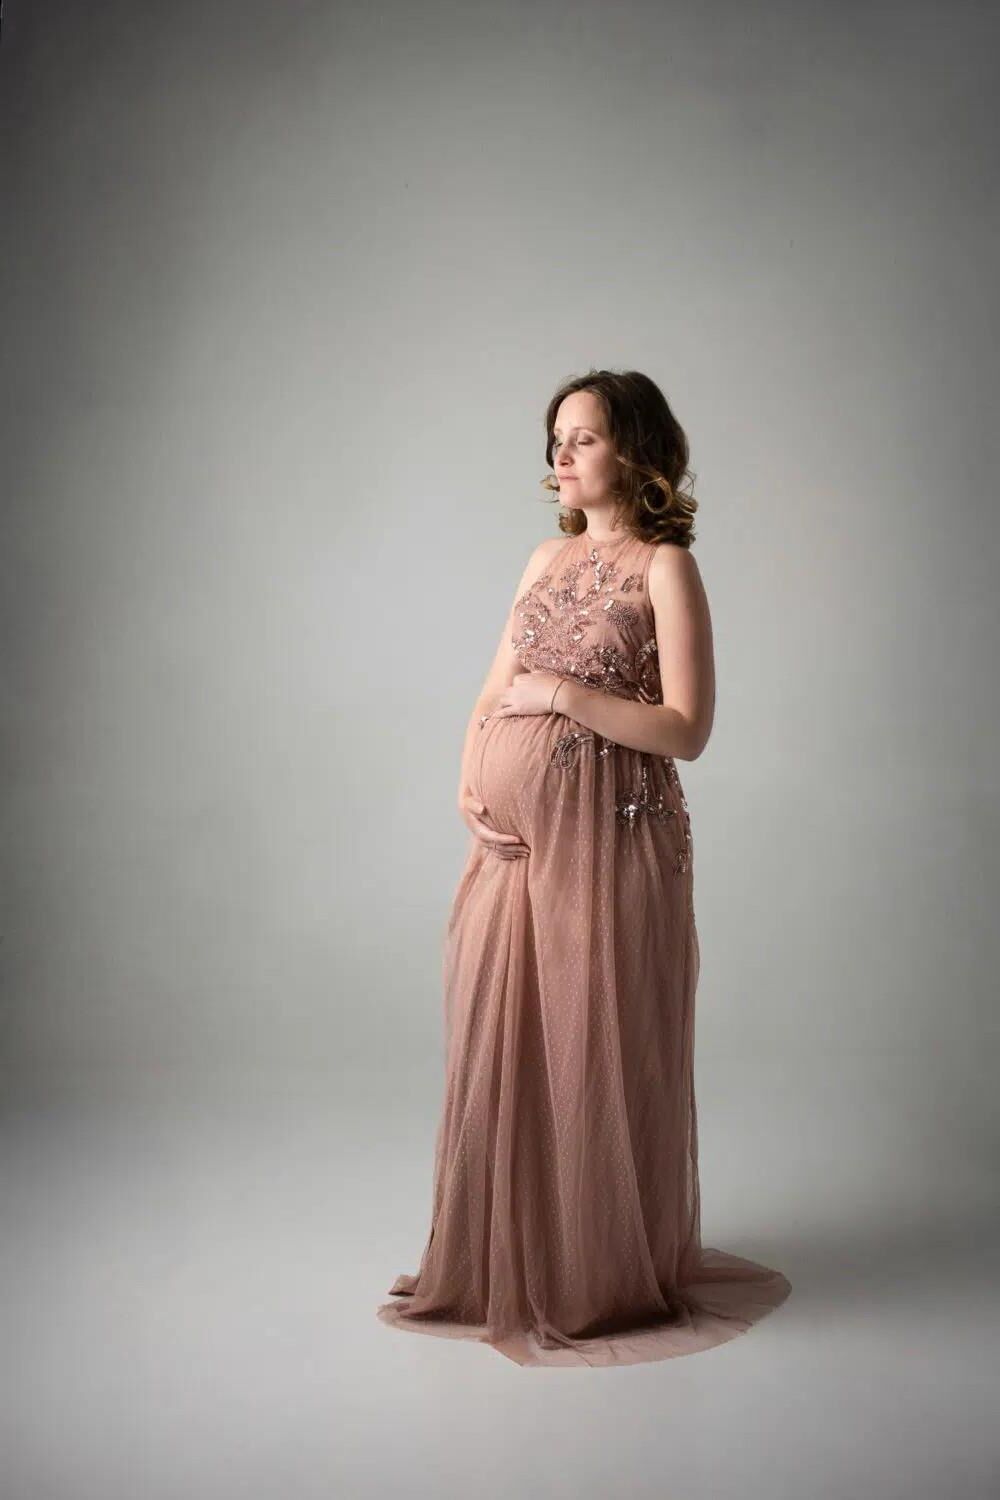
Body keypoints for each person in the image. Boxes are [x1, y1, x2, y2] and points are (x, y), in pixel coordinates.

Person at [376, 368, 791, 1367]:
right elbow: (490, 693)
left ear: (635, 454)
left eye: (586, 437)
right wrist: (469, 784)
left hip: (613, 844)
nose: (561, 454)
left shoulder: (664, 569)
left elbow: (685, 729)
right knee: (504, 1038)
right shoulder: (540, 561)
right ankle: (503, 1262)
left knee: (590, 1044)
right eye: (556, 438)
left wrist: (566, 695)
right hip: (512, 850)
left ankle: (591, 1276)